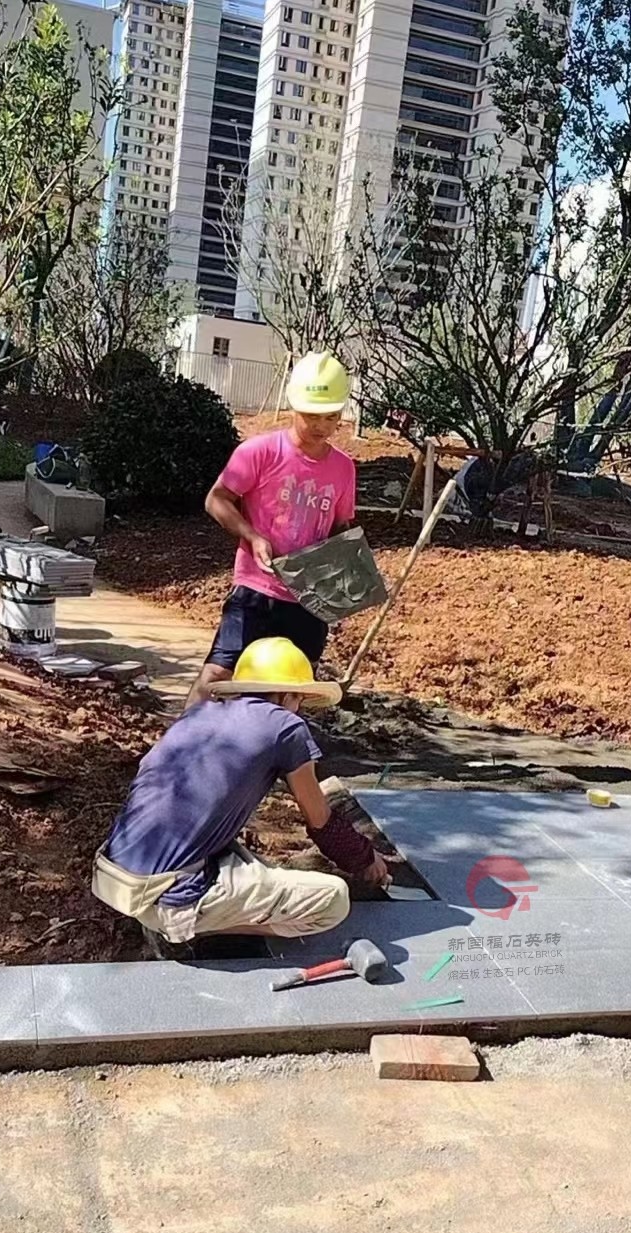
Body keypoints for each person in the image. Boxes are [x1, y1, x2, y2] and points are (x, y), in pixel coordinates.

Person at [92, 637, 389, 949]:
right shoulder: (287, 727)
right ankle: (186, 928)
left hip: (113, 874)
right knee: (334, 899)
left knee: (242, 858)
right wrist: (365, 858)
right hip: (164, 893)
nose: (299, 708)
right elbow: (321, 821)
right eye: (299, 699)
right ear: (288, 695)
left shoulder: (200, 713)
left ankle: (182, 912)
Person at [186, 351, 355, 708]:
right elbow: (217, 499)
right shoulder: (260, 452)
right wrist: (252, 536)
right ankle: (185, 740)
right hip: (256, 588)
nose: (321, 426)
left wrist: (347, 575)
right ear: (293, 406)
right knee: (219, 675)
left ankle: (276, 744)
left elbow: (340, 526)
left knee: (294, 689)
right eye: (312, 415)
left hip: (309, 598)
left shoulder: (344, 468)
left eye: (331, 416)